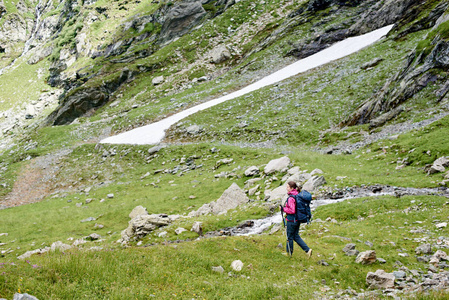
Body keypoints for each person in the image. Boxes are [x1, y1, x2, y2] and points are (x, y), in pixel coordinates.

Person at [280, 181, 312, 258]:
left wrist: (283, 209)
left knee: (289, 237)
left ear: (292, 188)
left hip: (292, 220)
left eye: (287, 187)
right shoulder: (297, 195)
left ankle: (289, 253)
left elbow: (292, 210)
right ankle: (307, 250)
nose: (286, 188)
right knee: (295, 236)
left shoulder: (291, 198)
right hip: (297, 219)